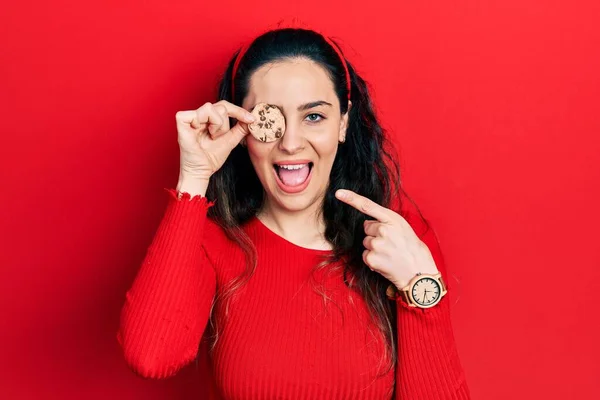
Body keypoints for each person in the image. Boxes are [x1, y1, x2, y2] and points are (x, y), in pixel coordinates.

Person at [117, 27, 471, 399]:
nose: (289, 143)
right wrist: (194, 176)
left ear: (343, 123)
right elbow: (150, 356)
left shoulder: (397, 241)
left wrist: (418, 286)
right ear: (242, 128)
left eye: (313, 116)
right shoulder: (215, 242)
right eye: (268, 118)